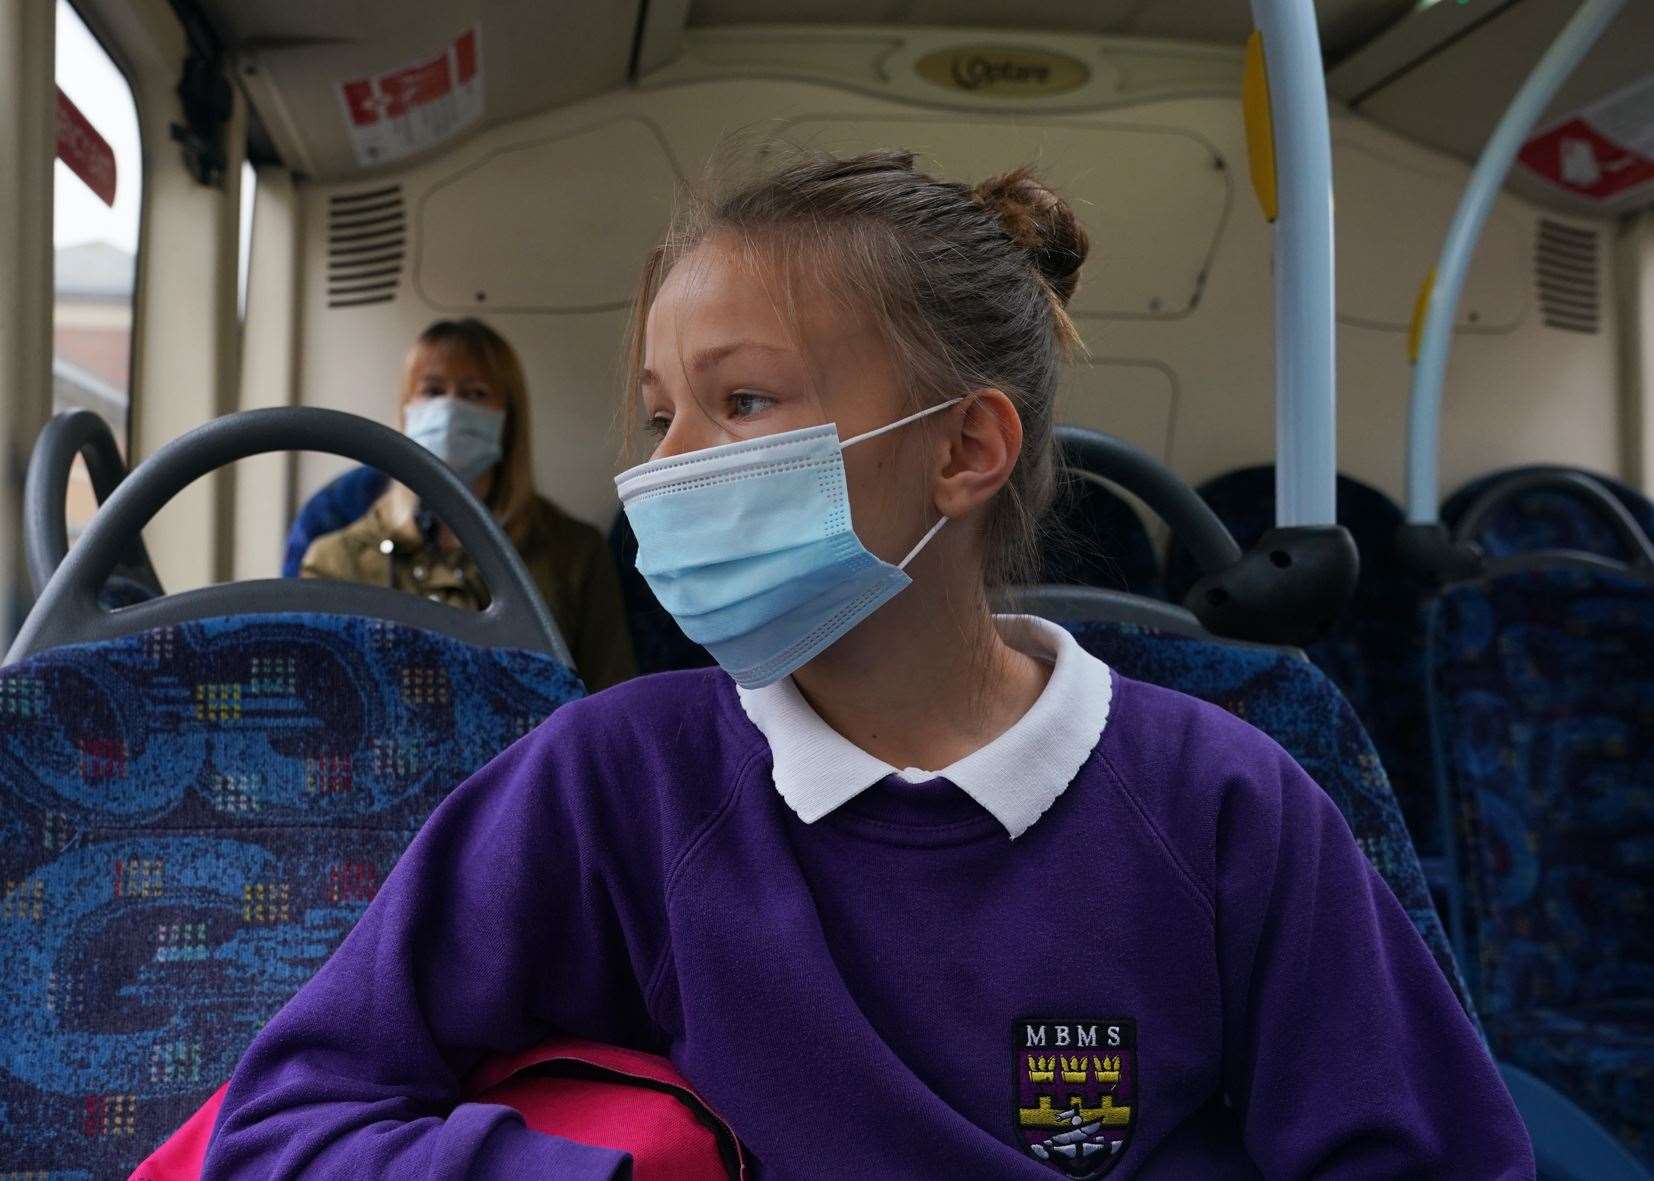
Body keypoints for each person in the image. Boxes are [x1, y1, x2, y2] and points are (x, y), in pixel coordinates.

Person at [203, 153, 1532, 1178]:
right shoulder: (616, 782)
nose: (663, 471)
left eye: (744, 402)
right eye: (662, 412)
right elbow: (285, 1123)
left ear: (963, 450)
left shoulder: (1220, 804)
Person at [300, 318, 635, 690]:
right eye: (432, 390)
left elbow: (610, 698)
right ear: (406, 410)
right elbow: (318, 703)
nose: (450, 409)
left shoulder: (574, 555)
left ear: (508, 418)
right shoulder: (336, 560)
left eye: (475, 393)